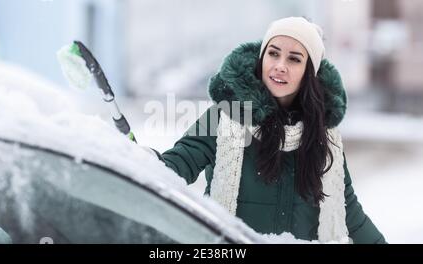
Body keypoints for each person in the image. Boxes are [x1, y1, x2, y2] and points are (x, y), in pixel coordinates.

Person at [154, 17, 386, 243]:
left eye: (294, 59)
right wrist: (141, 161)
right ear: (261, 58)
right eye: (273, 53)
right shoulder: (224, 116)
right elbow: (175, 165)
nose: (280, 66)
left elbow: (349, 215)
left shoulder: (325, 139)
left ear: (309, 72)